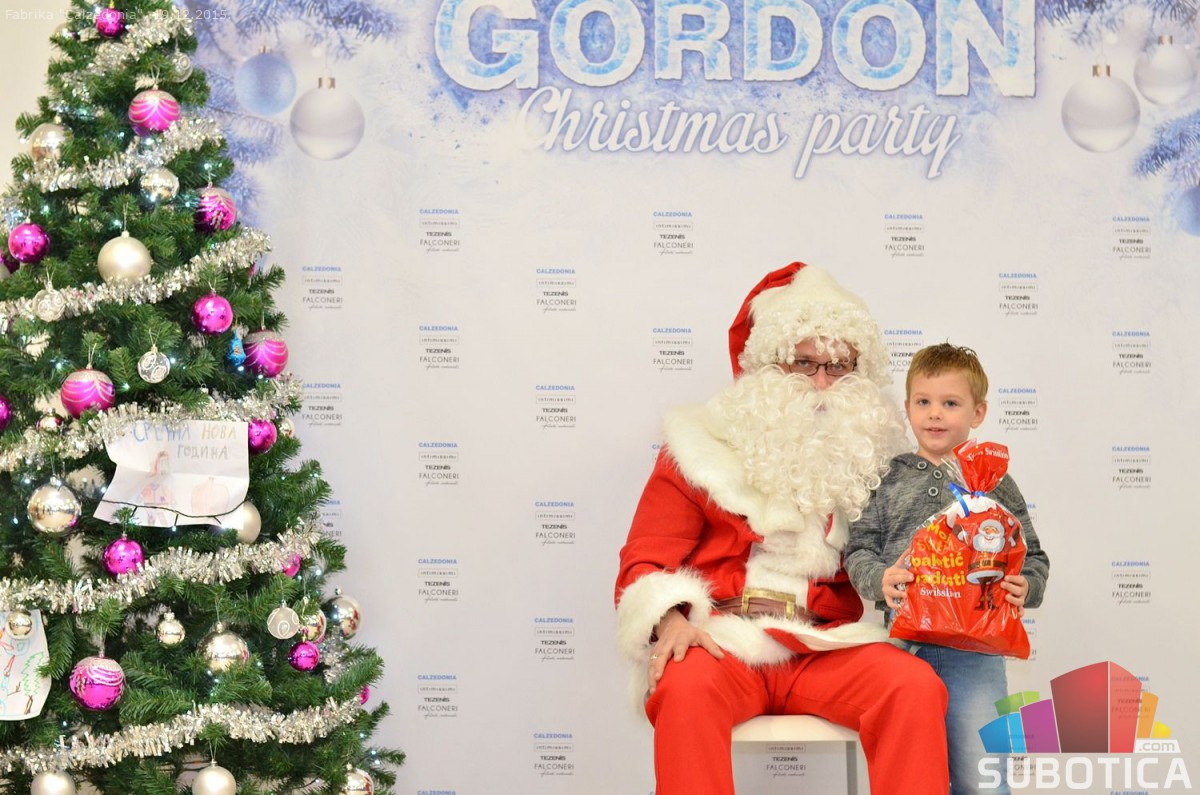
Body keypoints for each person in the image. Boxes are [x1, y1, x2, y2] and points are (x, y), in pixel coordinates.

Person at [614, 263, 951, 795]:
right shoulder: (697, 447)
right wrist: (671, 621)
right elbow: (646, 558)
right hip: (724, 642)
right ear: (768, 365)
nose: (821, 383)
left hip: (825, 646)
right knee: (685, 685)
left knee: (912, 686)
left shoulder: (875, 457)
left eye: (839, 366)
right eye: (804, 363)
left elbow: (916, 556)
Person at [846, 343, 1050, 795]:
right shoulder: (886, 478)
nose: (935, 414)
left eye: (950, 403)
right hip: (901, 646)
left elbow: (1032, 555)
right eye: (923, 401)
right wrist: (879, 579)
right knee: (910, 776)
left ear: (978, 413)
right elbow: (858, 550)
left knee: (983, 776)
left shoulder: (995, 482)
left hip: (975, 652)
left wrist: (1027, 585)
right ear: (907, 408)